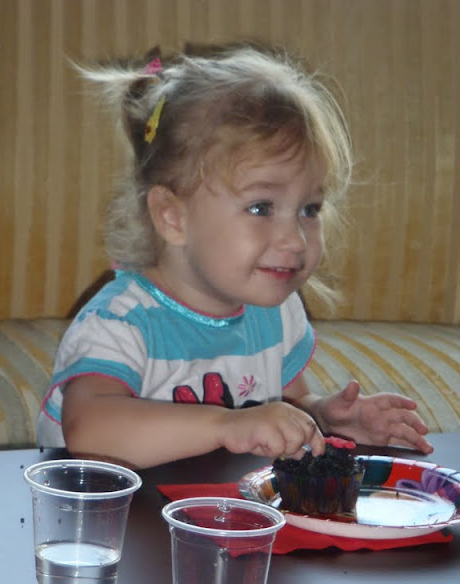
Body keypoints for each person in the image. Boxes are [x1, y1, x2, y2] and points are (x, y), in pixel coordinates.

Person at [36, 46, 433, 468]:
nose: (296, 239)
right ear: (172, 217)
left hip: (217, 504)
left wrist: (323, 417)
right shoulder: (120, 322)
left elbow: (287, 402)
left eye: (310, 208)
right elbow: (90, 432)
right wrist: (225, 425)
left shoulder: (273, 312)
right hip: (117, 508)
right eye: (261, 207)